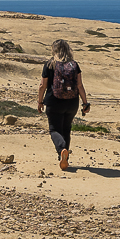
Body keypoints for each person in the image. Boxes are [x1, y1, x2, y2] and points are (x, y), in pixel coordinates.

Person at [38, 38, 89, 171]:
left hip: (54, 101)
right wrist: (85, 103)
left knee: (54, 129)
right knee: (66, 129)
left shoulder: (50, 64)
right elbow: (80, 86)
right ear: (68, 50)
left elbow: (42, 86)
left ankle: (62, 150)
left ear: (54, 50)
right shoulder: (74, 65)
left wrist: (40, 101)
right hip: (72, 103)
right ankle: (65, 157)